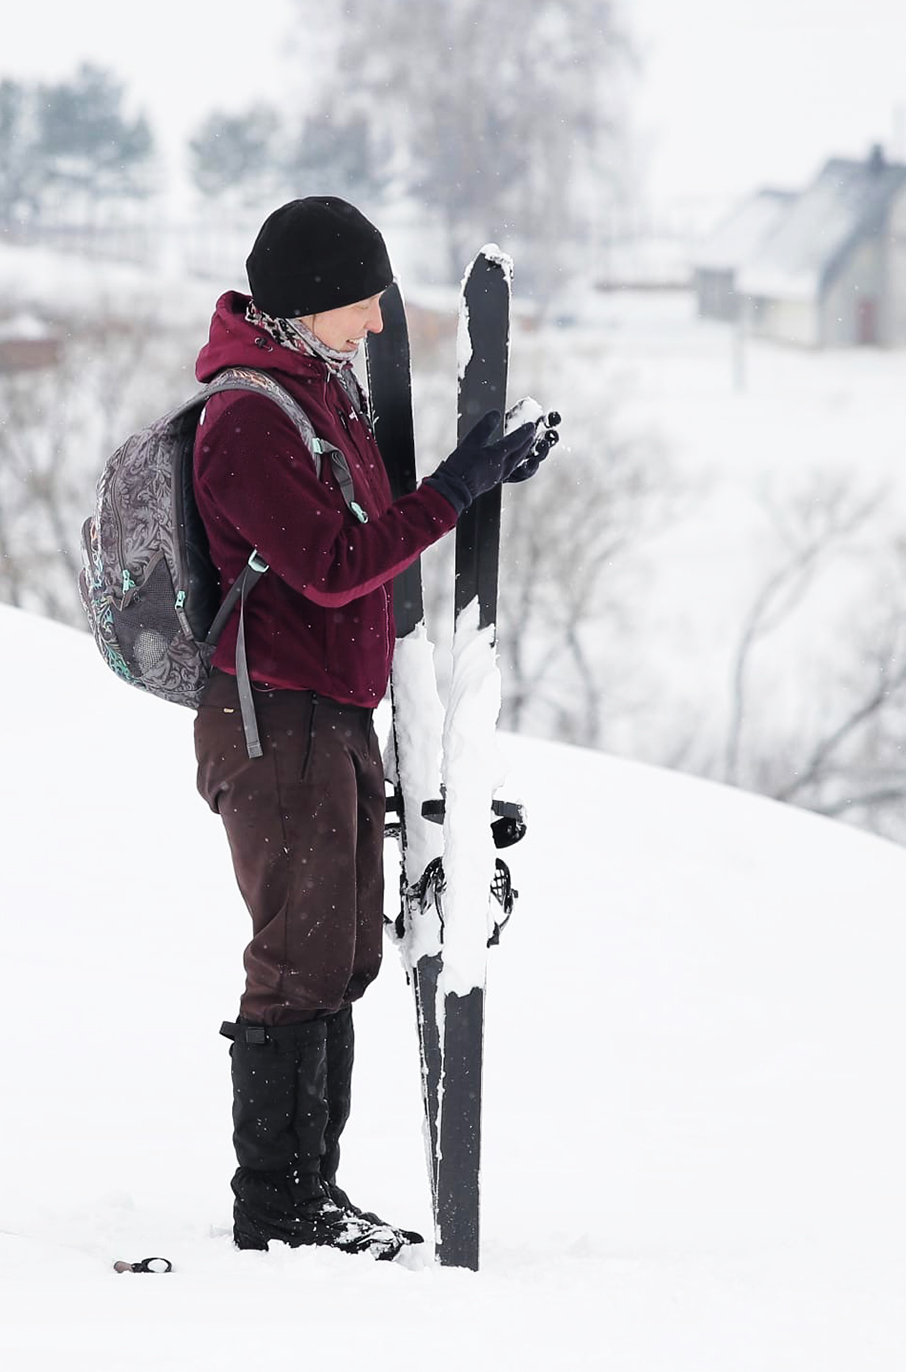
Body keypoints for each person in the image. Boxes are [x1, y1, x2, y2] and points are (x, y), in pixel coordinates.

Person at [191, 196, 557, 1256]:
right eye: (363, 303)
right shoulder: (250, 418)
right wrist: (460, 483)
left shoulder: (318, 390)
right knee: (298, 958)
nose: (377, 325)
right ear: (309, 302)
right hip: (275, 719)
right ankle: (278, 1205)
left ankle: (314, 1193)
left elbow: (363, 538)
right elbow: (334, 564)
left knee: (342, 953)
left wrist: (473, 474)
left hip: (325, 713)